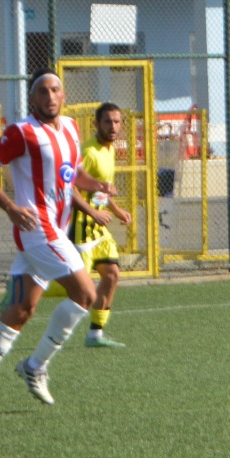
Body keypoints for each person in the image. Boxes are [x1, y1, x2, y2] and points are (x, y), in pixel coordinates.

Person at [0, 71, 116, 413]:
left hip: (57, 226)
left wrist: (97, 185)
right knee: (85, 293)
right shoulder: (21, 132)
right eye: (42, 91)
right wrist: (10, 208)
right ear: (33, 99)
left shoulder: (70, 128)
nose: (49, 96)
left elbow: (70, 175)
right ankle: (35, 366)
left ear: (63, 95)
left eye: (55, 90)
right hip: (37, 228)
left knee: (22, 310)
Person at [68, 101, 134, 349]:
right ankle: (29, 287)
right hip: (80, 229)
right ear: (96, 124)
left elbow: (99, 190)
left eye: (117, 122)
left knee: (112, 274)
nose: (113, 126)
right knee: (77, 292)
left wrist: (115, 210)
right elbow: (69, 188)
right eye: (108, 121)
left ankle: (95, 335)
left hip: (98, 228)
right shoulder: (88, 152)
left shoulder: (110, 150)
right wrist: (93, 212)